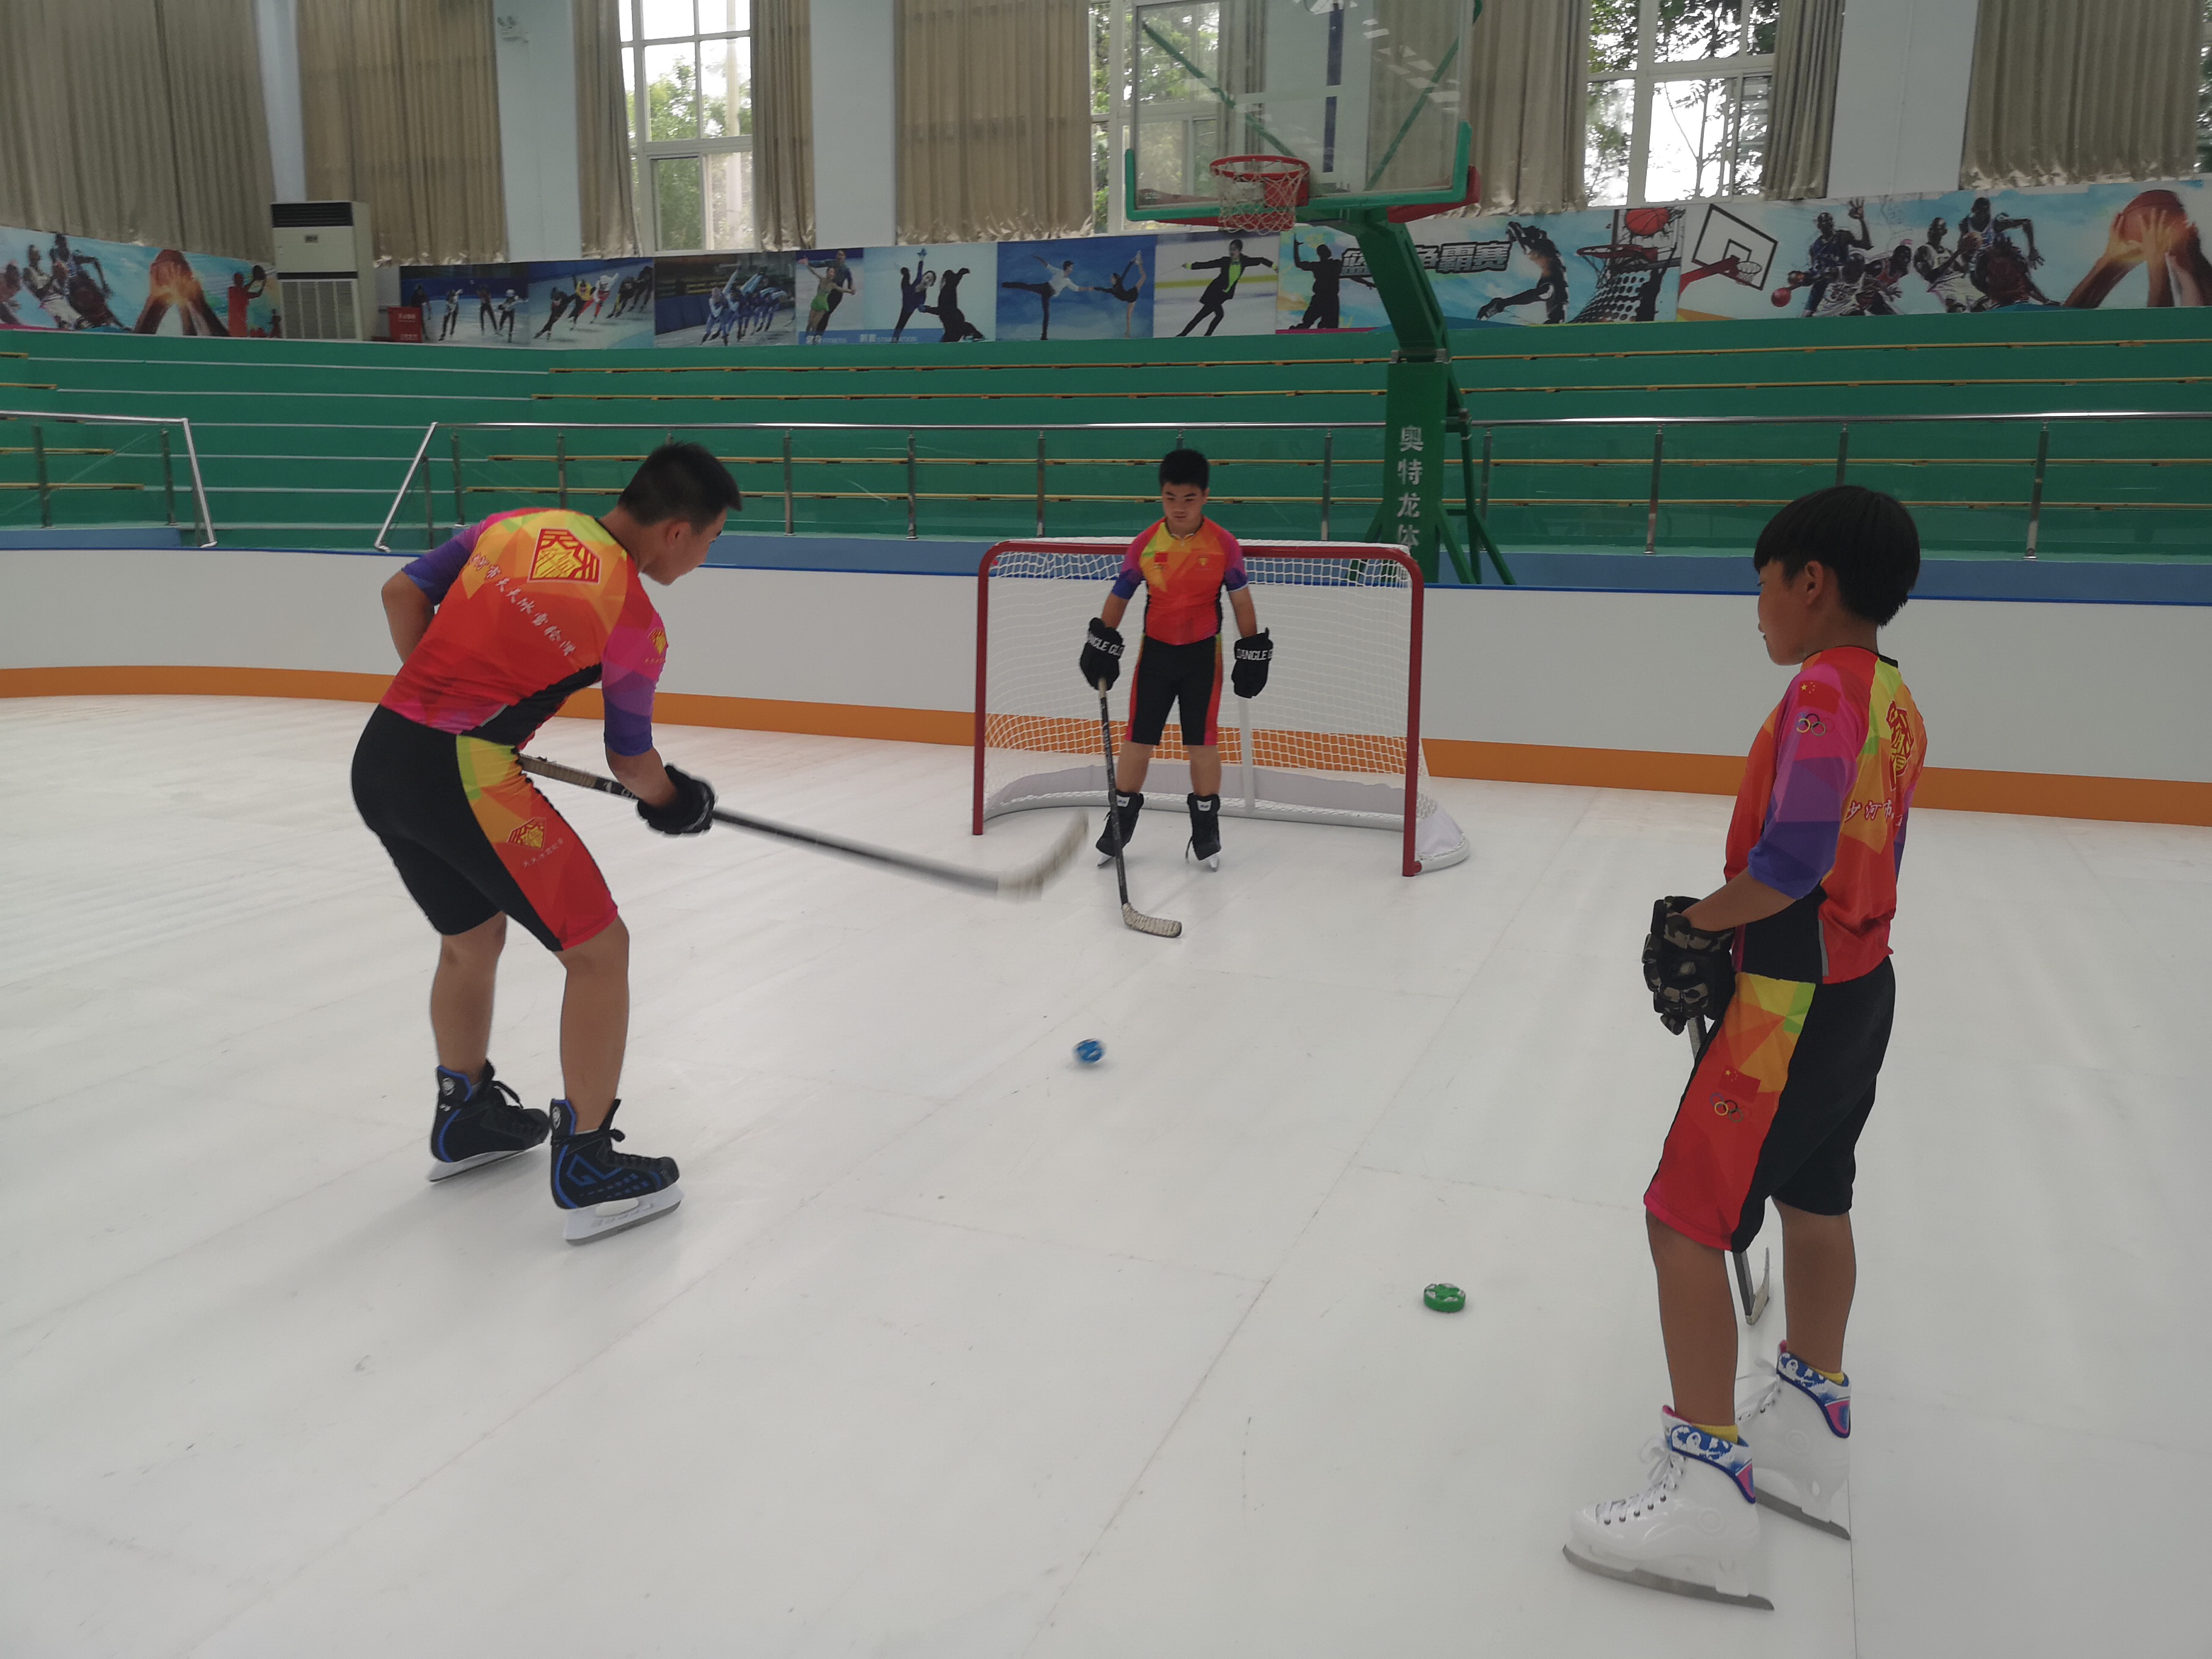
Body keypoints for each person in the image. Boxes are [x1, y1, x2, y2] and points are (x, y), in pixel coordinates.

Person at [1564, 485, 1927, 1607]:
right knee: (1815, 1197)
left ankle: (1703, 1494)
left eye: (1762, 584)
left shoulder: (1820, 689)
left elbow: (1794, 857)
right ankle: (1811, 1423)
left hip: (1787, 1005)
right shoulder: (1895, 698)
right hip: (1860, 989)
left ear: (1810, 581)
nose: (1756, 608)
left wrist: (1694, 924)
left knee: (1682, 1218)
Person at [351, 443, 744, 1244]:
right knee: (600, 952)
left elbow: (400, 591)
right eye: (710, 541)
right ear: (676, 531)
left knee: (470, 939)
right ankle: (589, 1165)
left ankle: (465, 1116)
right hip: (463, 780)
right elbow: (631, 764)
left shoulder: (515, 526)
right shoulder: (633, 623)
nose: (704, 558)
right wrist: (676, 803)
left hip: (383, 756)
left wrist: (440, 703)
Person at [1076, 448, 1272, 870]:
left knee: (1202, 745)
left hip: (1203, 658)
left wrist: (1253, 651)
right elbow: (1120, 596)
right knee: (1137, 742)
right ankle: (1119, 825)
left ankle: (1206, 830)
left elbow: (1241, 602)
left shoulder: (1223, 545)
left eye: (1189, 498)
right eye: (1170, 498)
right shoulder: (1146, 544)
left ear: (1205, 496)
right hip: (1156, 656)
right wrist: (1101, 641)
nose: (1179, 508)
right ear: (1161, 496)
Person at [1477, 222, 1570, 324]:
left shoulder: (1545, 243)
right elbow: (1514, 226)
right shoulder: (1534, 247)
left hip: (1558, 279)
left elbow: (1524, 231)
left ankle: (1501, 304)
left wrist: (1512, 235)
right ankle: (1500, 304)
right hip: (1551, 276)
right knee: (1546, 292)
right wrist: (1512, 235)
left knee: (1558, 317)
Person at [1178, 238, 1273, 337]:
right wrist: (1191, 266)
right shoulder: (1225, 261)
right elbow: (1208, 264)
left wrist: (1275, 267)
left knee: (1202, 316)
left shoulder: (1245, 261)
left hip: (1222, 296)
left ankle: (1184, 335)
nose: (1232, 252)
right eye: (1230, 249)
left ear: (1240, 250)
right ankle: (1203, 336)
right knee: (1217, 315)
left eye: (1234, 249)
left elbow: (1261, 260)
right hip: (1213, 293)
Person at [1000, 254, 1079, 340]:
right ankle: (1006, 285)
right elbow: (1048, 266)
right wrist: (1039, 258)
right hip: (1045, 287)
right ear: (1067, 267)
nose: (1072, 269)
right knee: (1027, 286)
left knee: (1047, 314)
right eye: (1071, 267)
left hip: (1048, 294)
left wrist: (1089, 288)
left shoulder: (1068, 281)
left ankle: (1044, 337)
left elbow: (1077, 288)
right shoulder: (1059, 272)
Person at [1287, 238, 1345, 330]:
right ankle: (1298, 331)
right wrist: (1296, 247)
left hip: (1329, 298)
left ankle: (1318, 327)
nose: (1328, 251)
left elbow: (1299, 264)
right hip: (1322, 298)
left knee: (1330, 326)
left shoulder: (1333, 264)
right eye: (1326, 250)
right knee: (1308, 322)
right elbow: (1299, 264)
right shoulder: (1325, 265)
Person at [802, 251, 855, 342]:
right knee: (816, 316)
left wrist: (851, 289)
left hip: (836, 294)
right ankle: (810, 334)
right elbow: (818, 264)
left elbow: (850, 281)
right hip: (826, 292)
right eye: (838, 254)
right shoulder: (831, 262)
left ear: (845, 257)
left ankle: (818, 335)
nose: (839, 257)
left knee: (826, 314)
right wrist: (808, 263)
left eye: (842, 255)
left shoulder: (846, 269)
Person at [893, 252, 931, 341]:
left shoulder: (923, 297)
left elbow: (920, 307)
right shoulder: (919, 278)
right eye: (927, 277)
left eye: (930, 280)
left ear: (931, 284)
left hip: (908, 308)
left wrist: (924, 308)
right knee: (907, 274)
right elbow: (920, 269)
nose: (927, 280)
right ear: (923, 277)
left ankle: (894, 340)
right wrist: (922, 258)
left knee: (901, 324)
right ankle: (901, 268)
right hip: (907, 290)